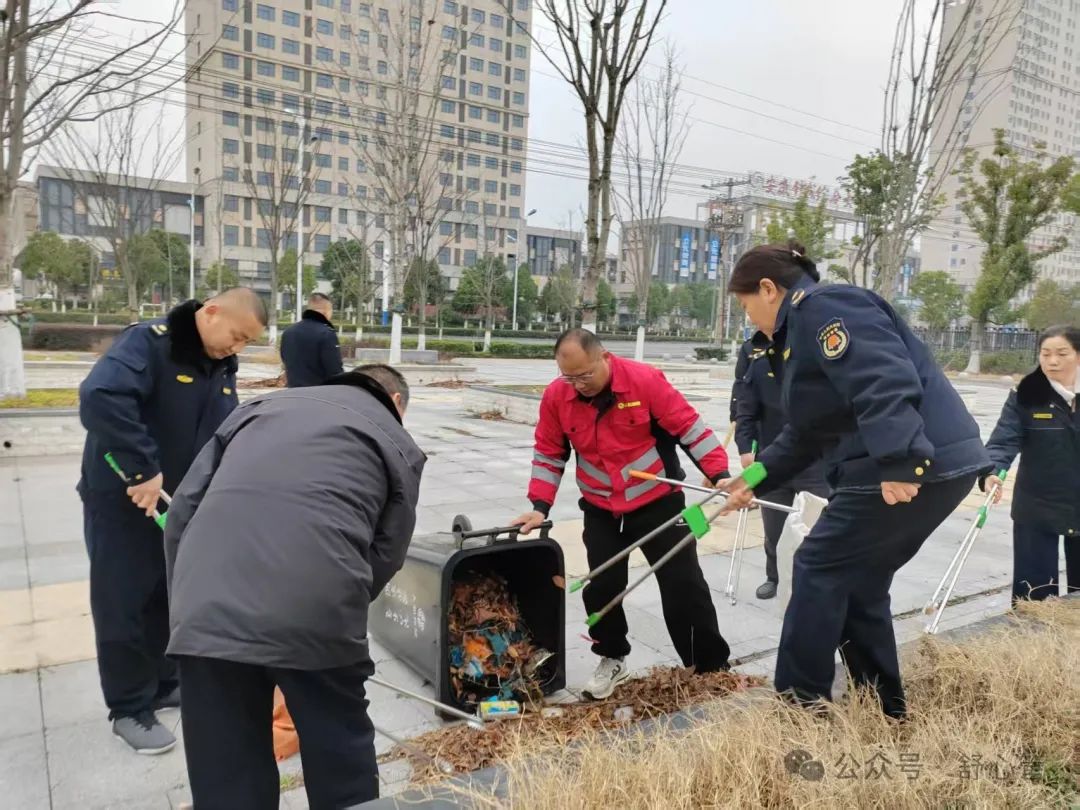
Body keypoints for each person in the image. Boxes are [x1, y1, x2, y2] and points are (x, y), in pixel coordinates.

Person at [718, 241, 990, 719]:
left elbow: (880, 377)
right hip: (915, 464)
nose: (748, 318)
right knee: (858, 584)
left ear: (768, 288)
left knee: (818, 566)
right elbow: (806, 431)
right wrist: (753, 479)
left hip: (908, 465)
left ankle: (799, 707)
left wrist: (901, 459)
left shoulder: (825, 307)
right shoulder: (799, 329)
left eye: (745, 305)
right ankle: (881, 706)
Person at [164, 365, 425, 809]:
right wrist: (333, 608)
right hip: (316, 612)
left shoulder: (256, 409)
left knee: (225, 773)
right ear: (396, 402)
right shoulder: (394, 437)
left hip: (204, 612)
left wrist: (189, 606)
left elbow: (182, 512)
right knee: (340, 757)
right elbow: (387, 552)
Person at [78, 289, 266, 754]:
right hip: (123, 502)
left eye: (247, 342)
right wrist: (141, 468)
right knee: (122, 603)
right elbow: (101, 397)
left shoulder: (220, 363)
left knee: (166, 597)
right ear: (211, 312)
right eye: (237, 336)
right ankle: (128, 707)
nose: (238, 348)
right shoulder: (148, 343)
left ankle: (162, 682)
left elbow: (219, 428)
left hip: (175, 505)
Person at [511, 329, 733, 700]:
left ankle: (710, 668)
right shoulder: (556, 396)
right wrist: (539, 506)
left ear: (605, 357)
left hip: (659, 501)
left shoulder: (644, 381)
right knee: (602, 587)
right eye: (569, 377)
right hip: (601, 508)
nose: (579, 384)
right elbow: (549, 453)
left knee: (684, 583)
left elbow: (690, 428)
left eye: (585, 375)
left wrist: (720, 472)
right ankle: (612, 658)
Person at [983, 324, 1080, 603]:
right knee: (1034, 598)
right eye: (1045, 354)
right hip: (1037, 504)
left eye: (1062, 353)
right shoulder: (1025, 395)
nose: (1052, 361)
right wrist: (991, 471)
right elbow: (1003, 441)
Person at [732, 337, 830, 599]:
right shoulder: (759, 365)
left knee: (817, 527)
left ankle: (813, 581)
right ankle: (774, 577)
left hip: (815, 461)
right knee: (774, 527)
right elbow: (745, 412)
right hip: (771, 460)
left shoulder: (819, 363)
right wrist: (745, 449)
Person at [280, 292, 344, 387]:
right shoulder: (326, 333)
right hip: (318, 392)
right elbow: (334, 370)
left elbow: (285, 360)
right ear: (327, 311)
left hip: (292, 391)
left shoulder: (288, 332)